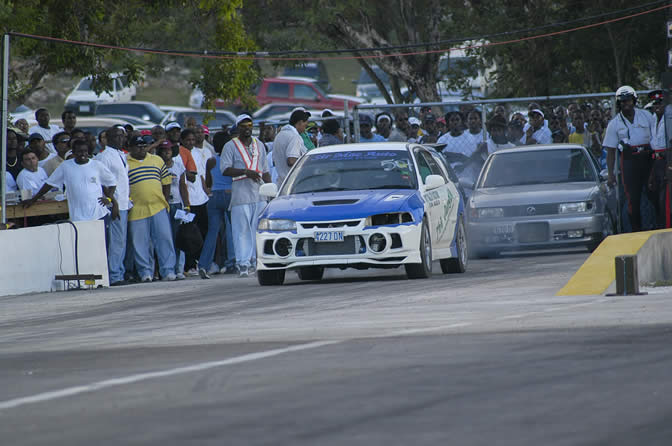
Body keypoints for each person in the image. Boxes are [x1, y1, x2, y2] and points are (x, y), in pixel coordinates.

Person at [220, 114, 271, 278]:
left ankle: (257, 261)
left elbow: (266, 170)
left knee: (258, 230)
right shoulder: (230, 146)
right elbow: (225, 169)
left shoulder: (259, 145)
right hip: (241, 194)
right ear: (238, 128)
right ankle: (242, 263)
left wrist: (271, 191)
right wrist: (244, 171)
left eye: (249, 124)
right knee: (241, 230)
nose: (247, 128)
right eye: (243, 125)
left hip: (259, 194)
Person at [604, 85, 658, 232]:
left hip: (648, 159)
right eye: (622, 102)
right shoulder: (614, 124)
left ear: (634, 101)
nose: (626, 104)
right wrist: (610, 174)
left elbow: (656, 139)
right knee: (632, 200)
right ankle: (636, 230)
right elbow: (610, 152)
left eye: (628, 101)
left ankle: (659, 227)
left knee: (655, 194)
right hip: (629, 163)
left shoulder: (646, 116)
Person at [24, 139, 116, 222]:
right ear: (74, 152)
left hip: (98, 215)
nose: (83, 154)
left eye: (85, 151)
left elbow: (112, 182)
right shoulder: (66, 166)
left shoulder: (97, 165)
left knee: (99, 241)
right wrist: (33, 199)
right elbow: (49, 183)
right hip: (78, 217)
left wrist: (109, 198)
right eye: (79, 151)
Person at [126, 134, 177, 282]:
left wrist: (165, 202)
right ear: (130, 148)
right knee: (140, 243)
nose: (142, 149)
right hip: (137, 209)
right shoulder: (125, 162)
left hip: (158, 207)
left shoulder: (157, 160)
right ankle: (145, 273)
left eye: (143, 146)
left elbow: (166, 182)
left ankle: (168, 271)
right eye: (138, 146)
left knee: (164, 240)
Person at [95, 126, 132, 286]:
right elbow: (103, 183)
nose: (120, 139)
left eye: (122, 136)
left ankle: (120, 272)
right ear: (108, 138)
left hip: (124, 203)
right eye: (116, 136)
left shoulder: (121, 154)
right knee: (116, 240)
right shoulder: (104, 157)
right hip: (114, 205)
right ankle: (115, 275)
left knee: (121, 240)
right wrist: (113, 202)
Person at [198, 131, 236, 278]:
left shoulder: (211, 160)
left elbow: (208, 183)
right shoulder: (231, 160)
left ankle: (203, 264)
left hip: (213, 197)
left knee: (212, 232)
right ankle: (234, 261)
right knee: (234, 230)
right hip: (229, 194)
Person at [157, 140, 188, 280]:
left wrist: (187, 205)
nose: (166, 152)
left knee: (179, 238)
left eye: (168, 149)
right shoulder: (157, 165)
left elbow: (183, 186)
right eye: (163, 150)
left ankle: (179, 269)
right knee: (165, 237)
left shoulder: (179, 166)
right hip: (163, 205)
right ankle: (166, 269)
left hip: (176, 205)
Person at [180, 128, 210, 275]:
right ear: (183, 141)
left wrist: (206, 192)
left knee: (204, 232)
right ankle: (189, 265)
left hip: (201, 199)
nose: (191, 142)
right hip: (188, 200)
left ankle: (200, 262)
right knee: (189, 235)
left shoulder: (198, 153)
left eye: (192, 140)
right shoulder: (180, 154)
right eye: (188, 140)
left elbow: (202, 176)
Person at [273, 109, 310, 186]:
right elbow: (291, 160)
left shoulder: (279, 135)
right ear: (299, 123)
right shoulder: (295, 137)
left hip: (281, 184)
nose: (304, 130)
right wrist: (308, 163)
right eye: (305, 126)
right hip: (293, 184)